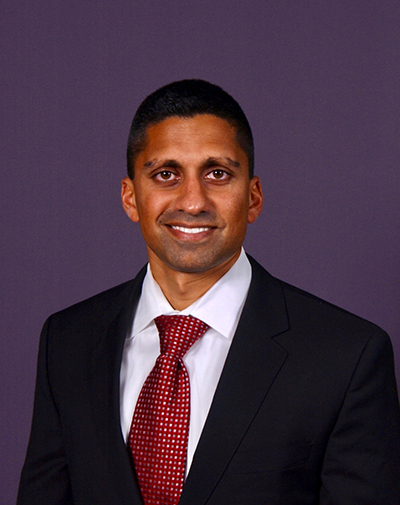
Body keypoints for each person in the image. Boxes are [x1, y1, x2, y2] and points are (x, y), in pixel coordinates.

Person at [18, 79, 400, 505]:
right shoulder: (67, 341)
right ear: (130, 198)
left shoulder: (347, 356)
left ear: (253, 197)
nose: (193, 201)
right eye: (166, 174)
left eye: (217, 173)